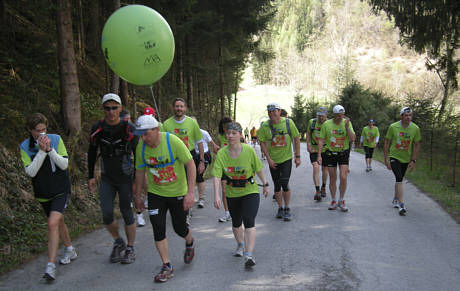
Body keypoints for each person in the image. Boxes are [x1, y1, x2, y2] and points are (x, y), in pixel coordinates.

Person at [132, 114, 196, 283]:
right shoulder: (141, 148)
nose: (143, 138)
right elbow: (139, 172)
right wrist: (137, 197)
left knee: (179, 228)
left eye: (146, 134)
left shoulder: (172, 141)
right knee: (158, 227)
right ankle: (167, 266)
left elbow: (190, 164)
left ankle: (189, 242)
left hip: (178, 192)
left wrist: (190, 192)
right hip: (156, 194)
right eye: (140, 135)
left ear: (156, 130)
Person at [20, 113, 77, 281]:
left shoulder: (56, 139)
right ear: (30, 131)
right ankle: (70, 249)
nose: (42, 134)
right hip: (43, 192)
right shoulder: (25, 147)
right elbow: (30, 171)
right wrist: (41, 152)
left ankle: (50, 266)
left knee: (52, 223)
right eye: (38, 131)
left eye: (44, 129)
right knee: (58, 222)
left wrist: (50, 150)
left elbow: (64, 164)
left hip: (60, 188)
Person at [88, 93, 138, 264]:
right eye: (107, 108)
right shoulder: (98, 128)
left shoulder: (129, 128)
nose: (111, 112)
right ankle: (118, 241)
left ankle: (130, 248)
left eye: (114, 108)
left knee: (126, 212)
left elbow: (139, 154)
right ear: (103, 109)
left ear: (120, 109)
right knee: (107, 214)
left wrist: (137, 181)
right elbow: (92, 152)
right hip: (107, 178)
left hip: (125, 177)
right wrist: (90, 176)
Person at [212, 122, 269, 267]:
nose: (230, 136)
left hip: (250, 190)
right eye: (228, 133)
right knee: (236, 222)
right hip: (232, 192)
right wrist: (217, 195)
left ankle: (249, 255)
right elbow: (217, 175)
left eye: (233, 133)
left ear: (240, 135)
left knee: (249, 220)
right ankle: (240, 244)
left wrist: (265, 184)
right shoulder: (222, 153)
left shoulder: (249, 151)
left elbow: (258, 168)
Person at [163, 98, 204, 226]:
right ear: (173, 108)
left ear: (185, 108)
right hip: (173, 158)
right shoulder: (167, 124)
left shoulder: (192, 123)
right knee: (177, 183)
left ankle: (186, 212)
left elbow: (200, 142)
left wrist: (202, 160)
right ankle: (179, 207)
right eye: (176, 106)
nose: (179, 109)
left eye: (181, 106)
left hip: (189, 156)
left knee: (188, 184)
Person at [258, 102, 301, 221]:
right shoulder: (265, 126)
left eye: (274, 111)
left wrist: (297, 156)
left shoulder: (288, 122)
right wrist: (269, 159)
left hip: (286, 159)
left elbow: (296, 138)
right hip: (273, 161)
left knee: (284, 183)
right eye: (269, 112)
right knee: (277, 185)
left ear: (279, 111)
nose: (272, 114)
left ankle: (287, 208)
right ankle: (280, 208)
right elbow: (261, 142)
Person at [317, 105, 356, 212]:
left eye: (342, 115)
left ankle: (342, 200)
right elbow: (321, 140)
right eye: (338, 115)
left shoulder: (347, 123)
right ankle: (334, 200)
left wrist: (347, 127)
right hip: (330, 154)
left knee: (343, 177)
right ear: (334, 115)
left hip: (343, 153)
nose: (340, 117)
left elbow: (352, 138)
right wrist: (319, 155)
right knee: (333, 178)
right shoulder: (327, 124)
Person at [383, 107, 421, 216]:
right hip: (394, 156)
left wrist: (413, 160)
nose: (408, 117)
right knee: (399, 178)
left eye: (410, 115)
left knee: (399, 179)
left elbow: (417, 144)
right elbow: (386, 142)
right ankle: (401, 204)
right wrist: (386, 159)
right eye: (406, 115)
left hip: (406, 158)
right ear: (401, 116)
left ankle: (395, 198)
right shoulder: (393, 127)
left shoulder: (415, 128)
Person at [120, 109, 146, 227]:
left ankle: (139, 215)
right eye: (125, 120)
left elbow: (137, 151)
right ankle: (128, 212)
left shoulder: (133, 131)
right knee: (125, 192)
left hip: (131, 165)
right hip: (118, 168)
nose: (127, 122)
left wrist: (137, 169)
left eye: (128, 120)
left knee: (136, 191)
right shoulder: (113, 130)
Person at [191, 117, 219, 208]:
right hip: (192, 155)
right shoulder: (187, 133)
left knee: (199, 176)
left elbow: (212, 143)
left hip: (204, 155)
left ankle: (201, 198)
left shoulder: (203, 133)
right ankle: (191, 196)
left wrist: (216, 149)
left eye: (194, 124)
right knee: (191, 176)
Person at [306, 107, 329, 201]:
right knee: (316, 167)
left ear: (326, 115)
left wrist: (330, 146)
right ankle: (317, 190)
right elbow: (308, 133)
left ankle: (323, 186)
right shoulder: (312, 122)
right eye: (319, 116)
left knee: (325, 170)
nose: (320, 118)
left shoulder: (329, 124)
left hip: (325, 149)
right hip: (314, 149)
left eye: (322, 116)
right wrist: (308, 144)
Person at [216, 117, 233, 222]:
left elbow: (244, 147)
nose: (226, 128)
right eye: (224, 126)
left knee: (236, 189)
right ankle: (227, 213)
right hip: (224, 166)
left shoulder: (236, 134)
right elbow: (218, 150)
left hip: (236, 166)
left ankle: (237, 209)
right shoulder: (220, 137)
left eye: (228, 125)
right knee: (224, 190)